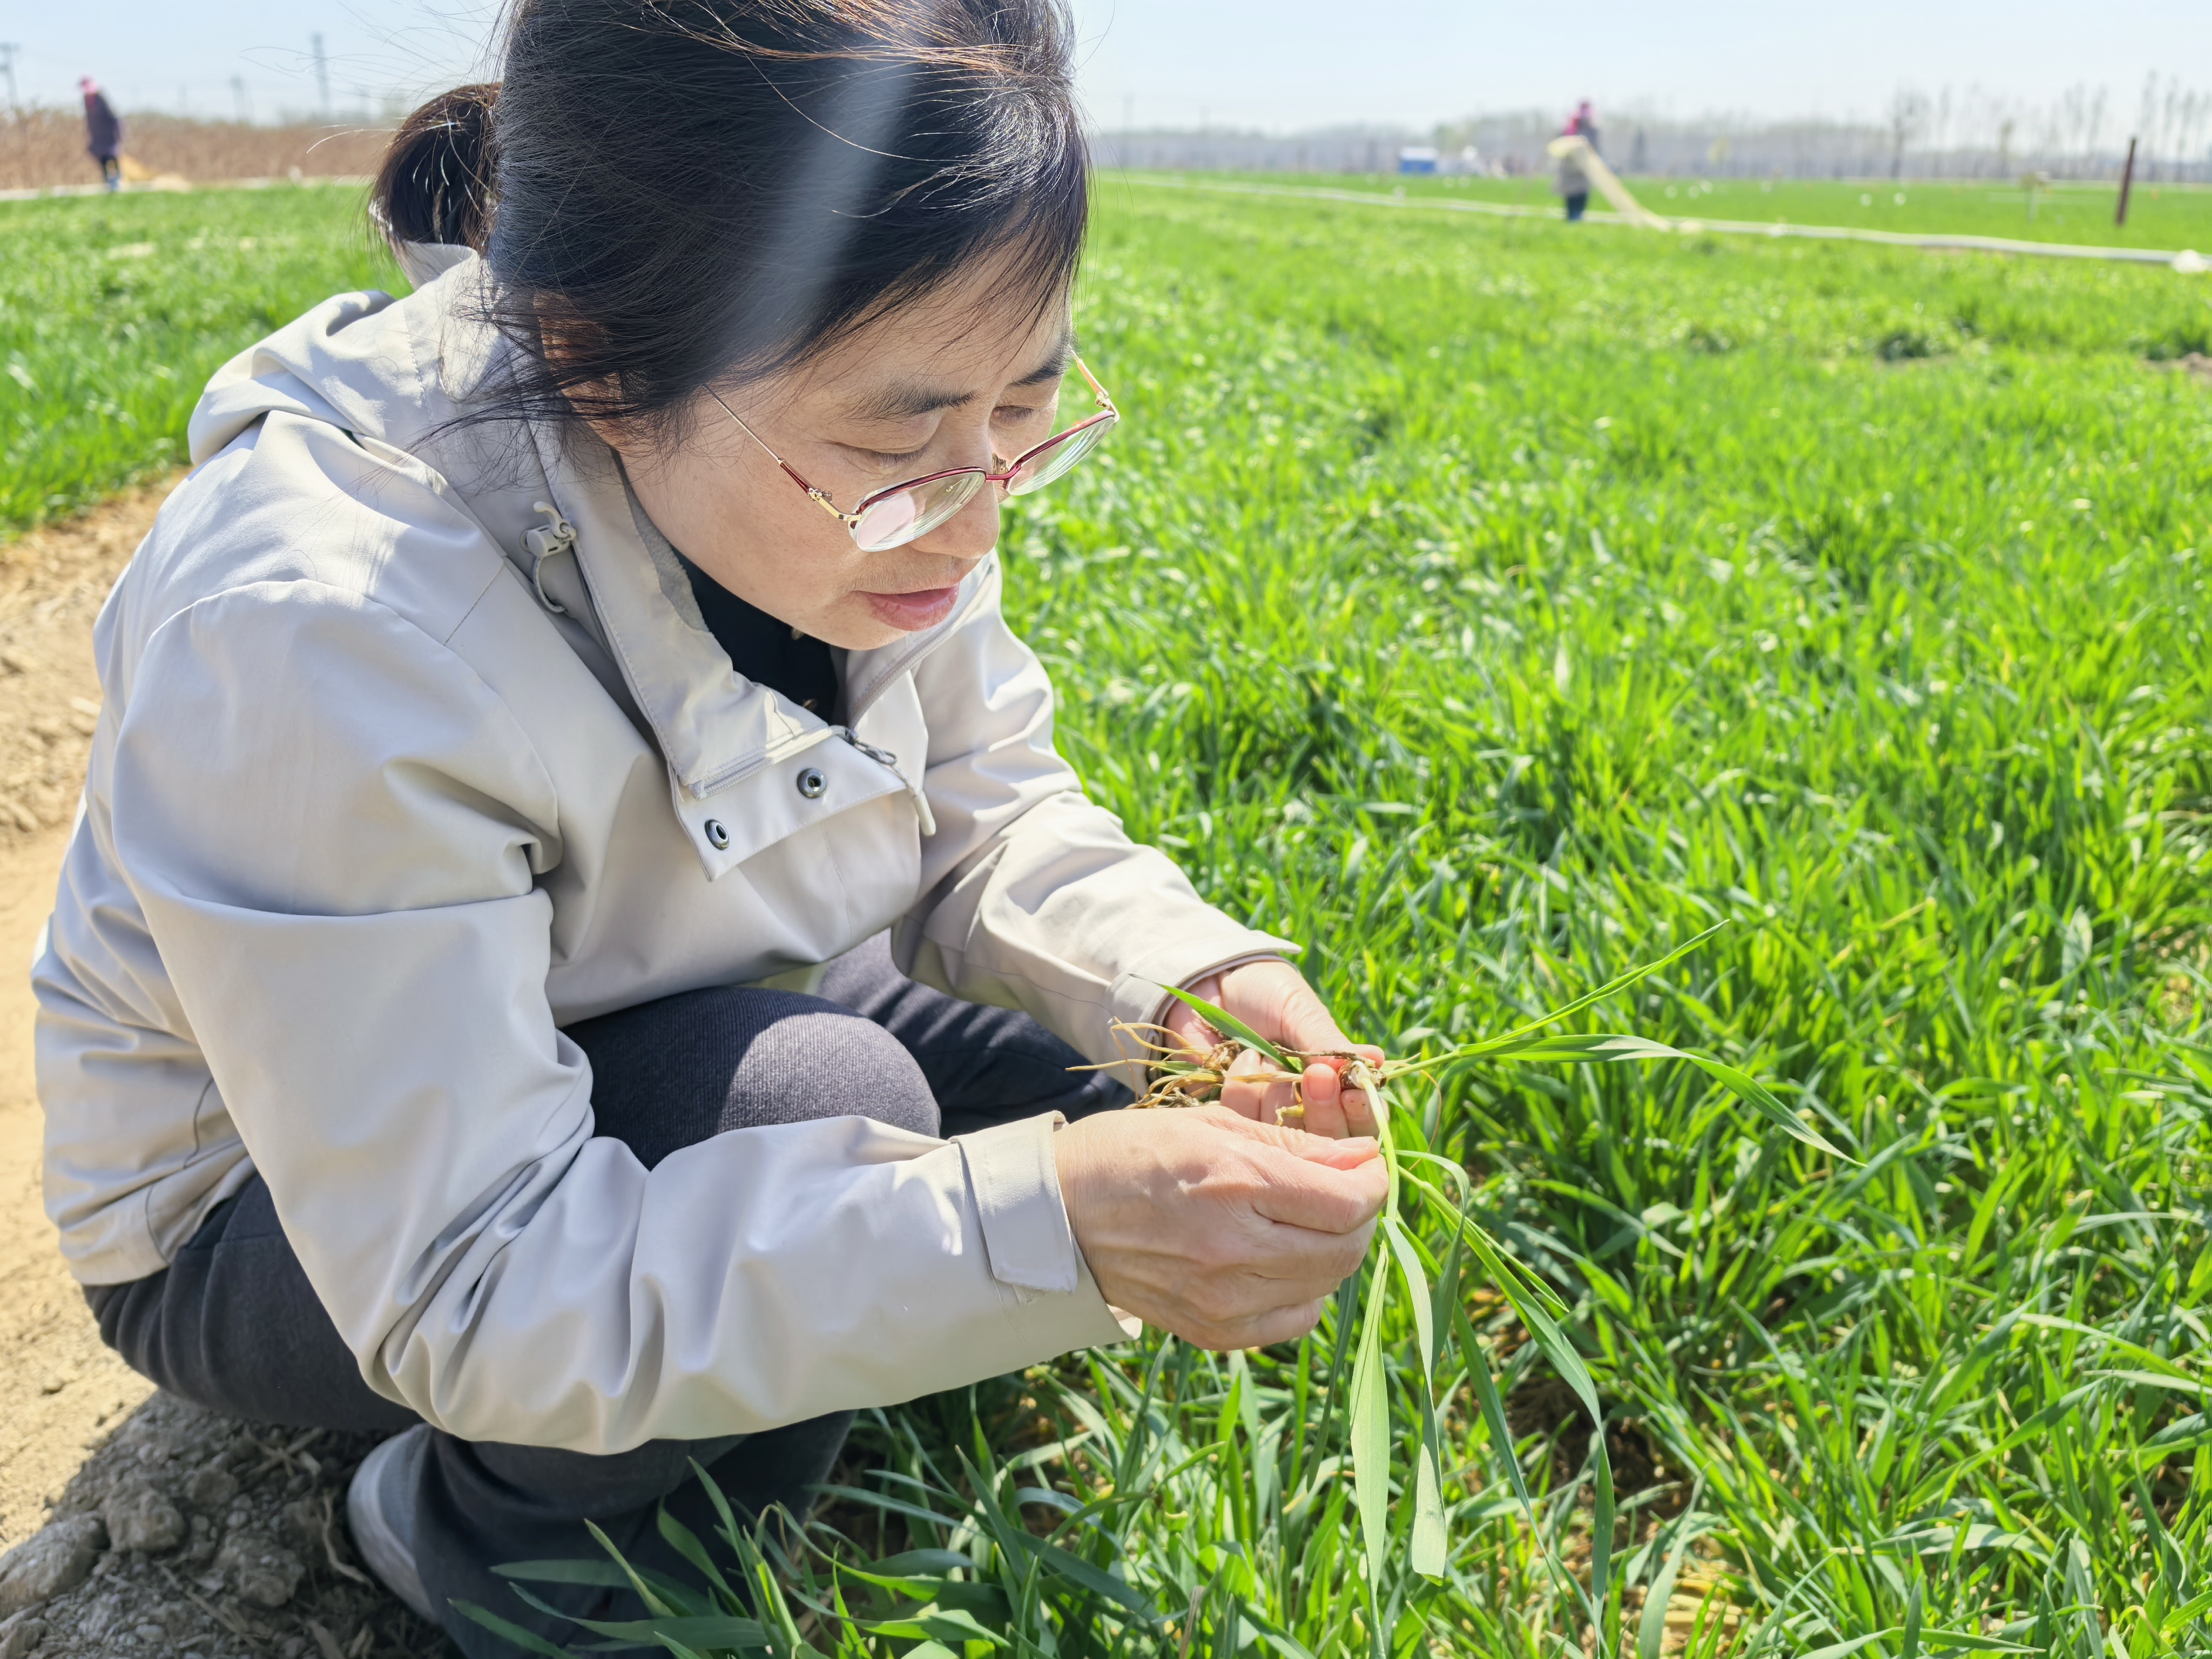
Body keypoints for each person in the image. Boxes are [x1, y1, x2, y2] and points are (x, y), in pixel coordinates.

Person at [32, 1, 1391, 1651]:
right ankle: (476, 1547)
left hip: (662, 973)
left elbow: (983, 796)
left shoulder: (886, 476)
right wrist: (1049, 1228)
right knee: (846, 1110)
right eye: (899, 440)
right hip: (290, 1196)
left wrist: (1178, 982)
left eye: (1024, 410)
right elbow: (477, 1275)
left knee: (1091, 1096)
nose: (973, 516)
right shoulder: (326, 622)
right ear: (602, 357)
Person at [1555, 98, 1600, 221]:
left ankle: (1576, 220)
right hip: (1572, 169)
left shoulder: (1591, 131)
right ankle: (1574, 220)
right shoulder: (1570, 130)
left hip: (1583, 170)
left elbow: (1595, 149)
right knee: (1573, 198)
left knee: (1580, 197)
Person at [80, 76, 122, 190]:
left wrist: (117, 132)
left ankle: (117, 180)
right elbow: (89, 118)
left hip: (108, 133)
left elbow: (113, 116)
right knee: (101, 158)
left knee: (112, 156)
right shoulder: (86, 100)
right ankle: (108, 181)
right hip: (97, 135)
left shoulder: (101, 99)